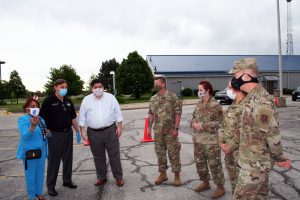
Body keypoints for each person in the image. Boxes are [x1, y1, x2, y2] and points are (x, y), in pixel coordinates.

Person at [228, 58, 291, 199]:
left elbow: (272, 134)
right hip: (250, 160)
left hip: (255, 165)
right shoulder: (251, 98)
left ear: (245, 76)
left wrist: (280, 157)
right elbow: (246, 127)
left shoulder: (260, 101)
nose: (233, 80)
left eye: (235, 76)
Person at [79, 79, 124, 187]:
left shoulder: (110, 98)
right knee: (98, 157)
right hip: (93, 133)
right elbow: (82, 117)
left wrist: (120, 127)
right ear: (91, 89)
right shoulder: (86, 100)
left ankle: (118, 177)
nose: (97, 89)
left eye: (99, 87)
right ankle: (101, 177)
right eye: (95, 87)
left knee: (114, 155)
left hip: (110, 131)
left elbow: (118, 112)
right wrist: (82, 131)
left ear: (103, 88)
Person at [39, 79, 80, 196]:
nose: (64, 89)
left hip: (68, 133)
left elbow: (73, 118)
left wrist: (77, 131)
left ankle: (67, 181)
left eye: (66, 87)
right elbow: (41, 119)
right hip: (54, 134)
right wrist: (45, 132)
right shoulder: (48, 101)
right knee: (54, 161)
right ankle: (50, 186)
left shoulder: (68, 101)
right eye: (62, 87)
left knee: (68, 158)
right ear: (56, 87)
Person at [190, 80, 225, 199]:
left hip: (210, 140)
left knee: (214, 164)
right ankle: (205, 182)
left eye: (200, 90)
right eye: (198, 90)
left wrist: (204, 125)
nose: (199, 92)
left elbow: (220, 122)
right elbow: (193, 119)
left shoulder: (215, 105)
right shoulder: (198, 104)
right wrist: (193, 124)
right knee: (200, 163)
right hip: (198, 139)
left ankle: (220, 187)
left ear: (207, 90)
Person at [148, 76, 182, 186]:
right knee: (160, 154)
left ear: (163, 84)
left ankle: (177, 176)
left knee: (174, 154)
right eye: (154, 84)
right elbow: (151, 114)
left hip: (170, 131)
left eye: (157, 83)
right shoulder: (153, 99)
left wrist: (176, 128)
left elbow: (178, 113)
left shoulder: (172, 97)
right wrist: (149, 128)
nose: (155, 86)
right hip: (158, 132)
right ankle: (163, 174)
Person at [17, 97, 48, 200]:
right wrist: (32, 126)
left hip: (42, 151)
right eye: (32, 106)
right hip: (30, 152)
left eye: (37, 106)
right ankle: (31, 196)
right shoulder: (23, 119)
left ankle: (39, 193)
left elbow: (43, 134)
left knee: (40, 173)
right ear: (26, 109)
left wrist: (47, 133)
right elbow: (25, 136)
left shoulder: (41, 119)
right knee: (30, 175)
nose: (35, 108)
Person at [218, 81, 246, 194]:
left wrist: (231, 145)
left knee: (244, 188)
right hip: (229, 154)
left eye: (230, 87)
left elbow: (246, 130)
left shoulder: (247, 106)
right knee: (234, 183)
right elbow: (222, 126)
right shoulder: (232, 106)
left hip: (242, 155)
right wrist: (221, 142)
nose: (228, 90)